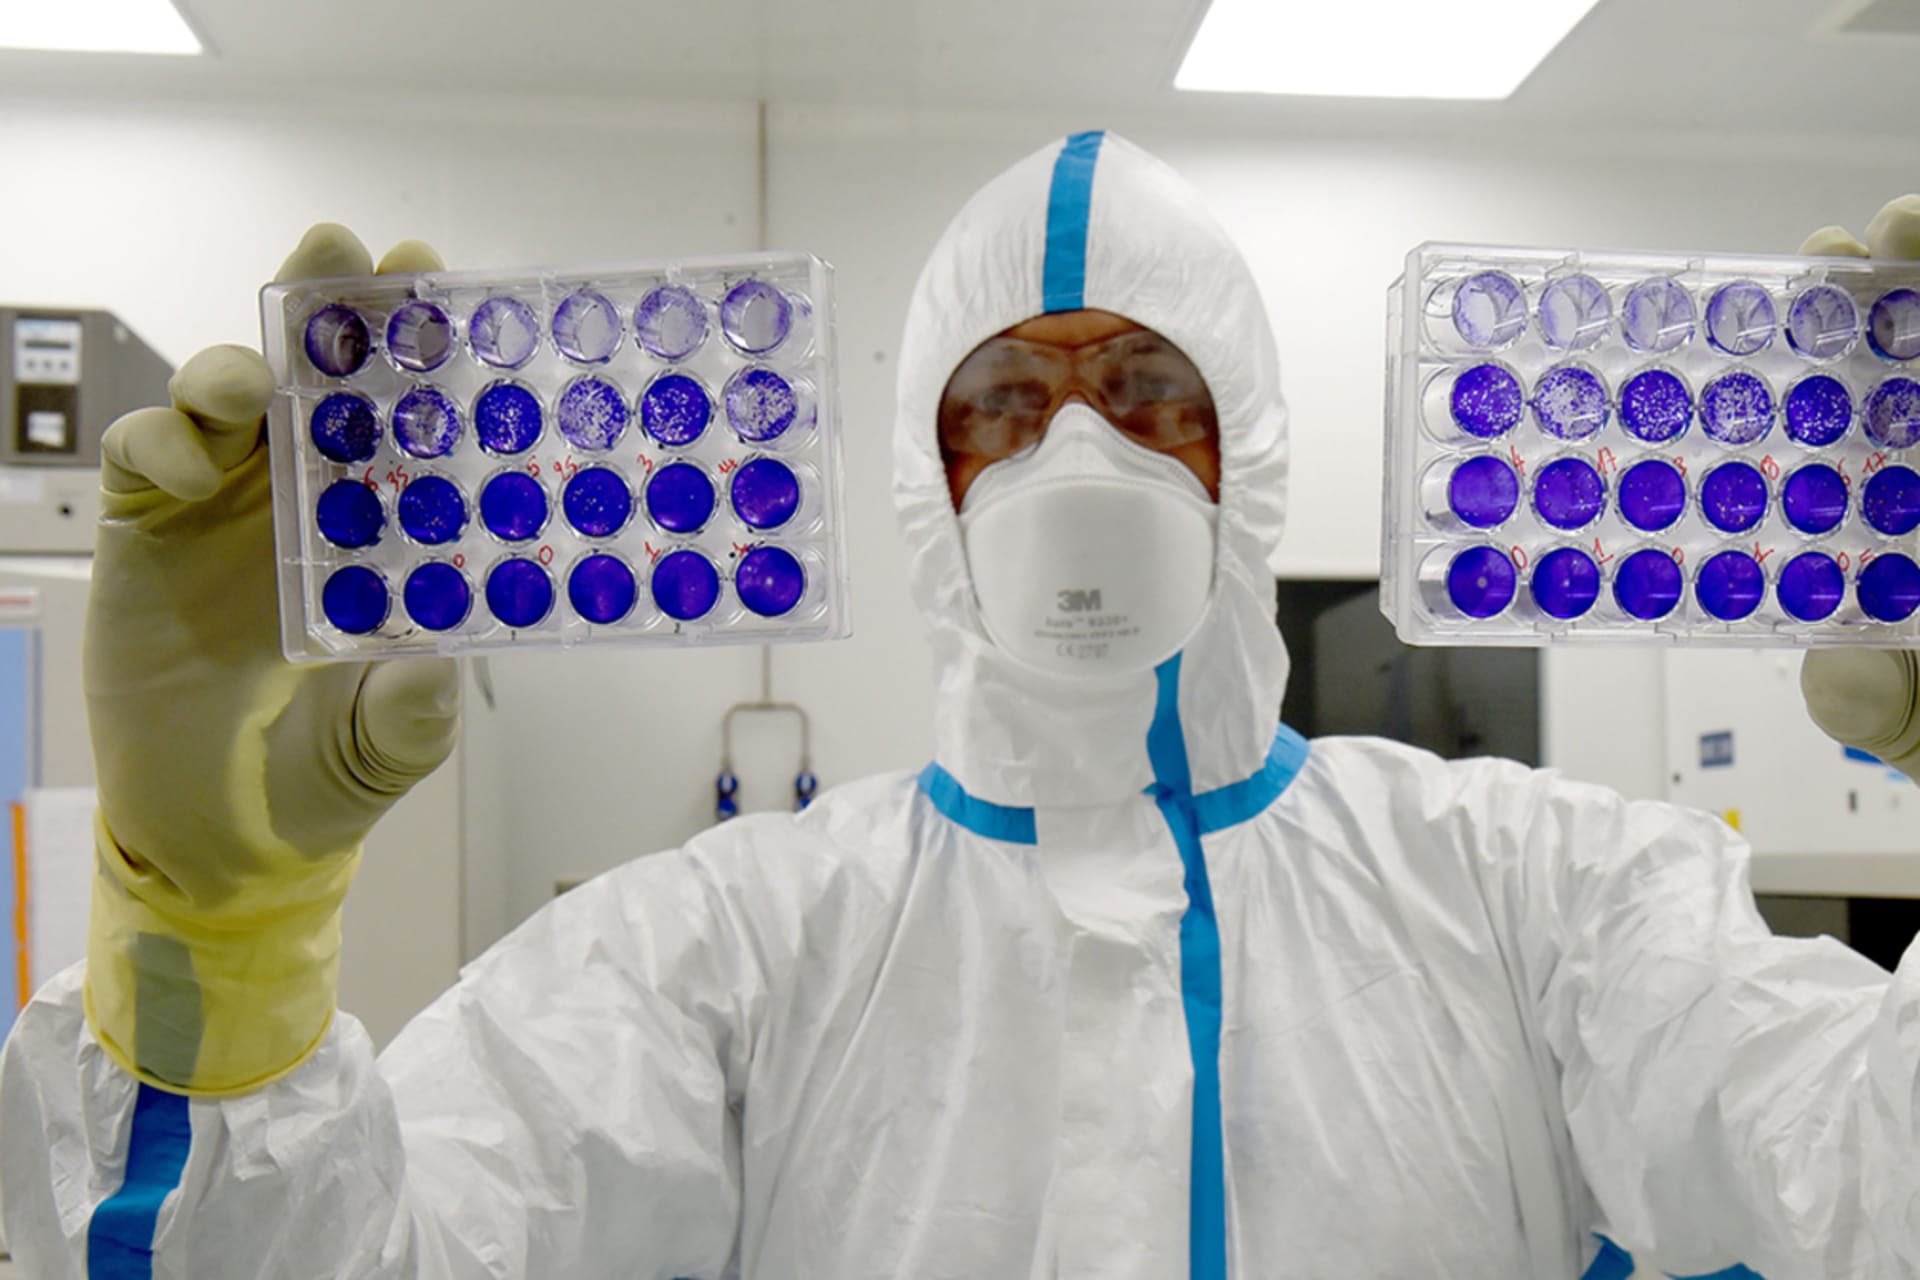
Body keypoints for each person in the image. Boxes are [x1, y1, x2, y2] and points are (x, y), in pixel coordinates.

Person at [2, 130, 1919, 1280]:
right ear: (929, 475)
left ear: (1247, 451)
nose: (1080, 455)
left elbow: (1859, 1170)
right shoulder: (730, 939)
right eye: (1008, 398)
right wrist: (217, 949)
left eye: (1147, 391)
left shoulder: (1540, 890)